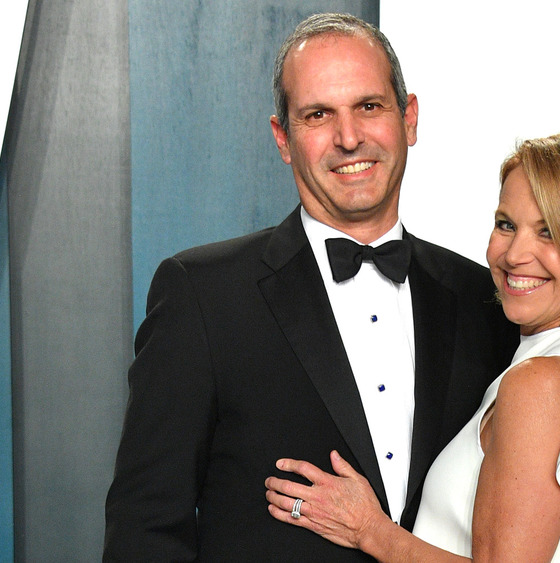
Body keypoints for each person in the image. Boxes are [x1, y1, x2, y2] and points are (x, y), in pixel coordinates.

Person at [103, 13, 517, 562]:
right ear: (283, 138)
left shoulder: (484, 300)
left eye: (369, 107)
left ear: (409, 118)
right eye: (319, 114)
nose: (349, 138)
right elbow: (145, 530)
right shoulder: (203, 295)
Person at [264, 127, 560, 562]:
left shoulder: (540, 382)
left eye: (550, 233)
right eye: (506, 224)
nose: (514, 254)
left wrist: (371, 531)